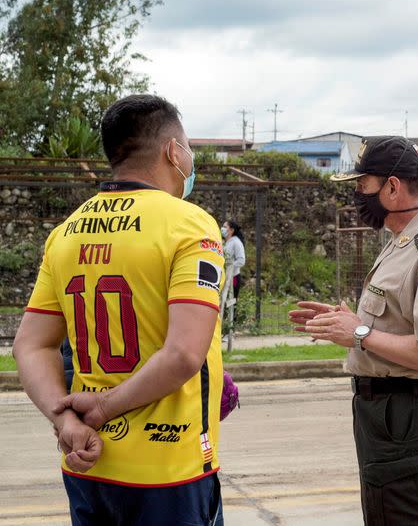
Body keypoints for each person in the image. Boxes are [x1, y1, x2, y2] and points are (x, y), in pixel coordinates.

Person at [13, 94, 225, 526]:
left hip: (88, 463)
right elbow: (184, 353)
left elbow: (30, 345)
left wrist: (66, 420)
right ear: (173, 151)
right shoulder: (189, 224)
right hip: (168, 469)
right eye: (188, 147)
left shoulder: (67, 232)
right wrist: (106, 408)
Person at [288, 135, 418, 525]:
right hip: (387, 419)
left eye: (362, 185)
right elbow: (398, 321)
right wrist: (347, 322)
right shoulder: (401, 241)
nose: (357, 195)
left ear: (392, 187)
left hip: (409, 418)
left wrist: (359, 333)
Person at [221, 219, 245, 301]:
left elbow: (241, 260)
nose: (222, 229)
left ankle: (233, 314)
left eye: (224, 227)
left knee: (231, 302)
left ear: (231, 230)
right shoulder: (226, 242)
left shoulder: (236, 242)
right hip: (225, 276)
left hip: (233, 277)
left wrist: (229, 267)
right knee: (223, 301)